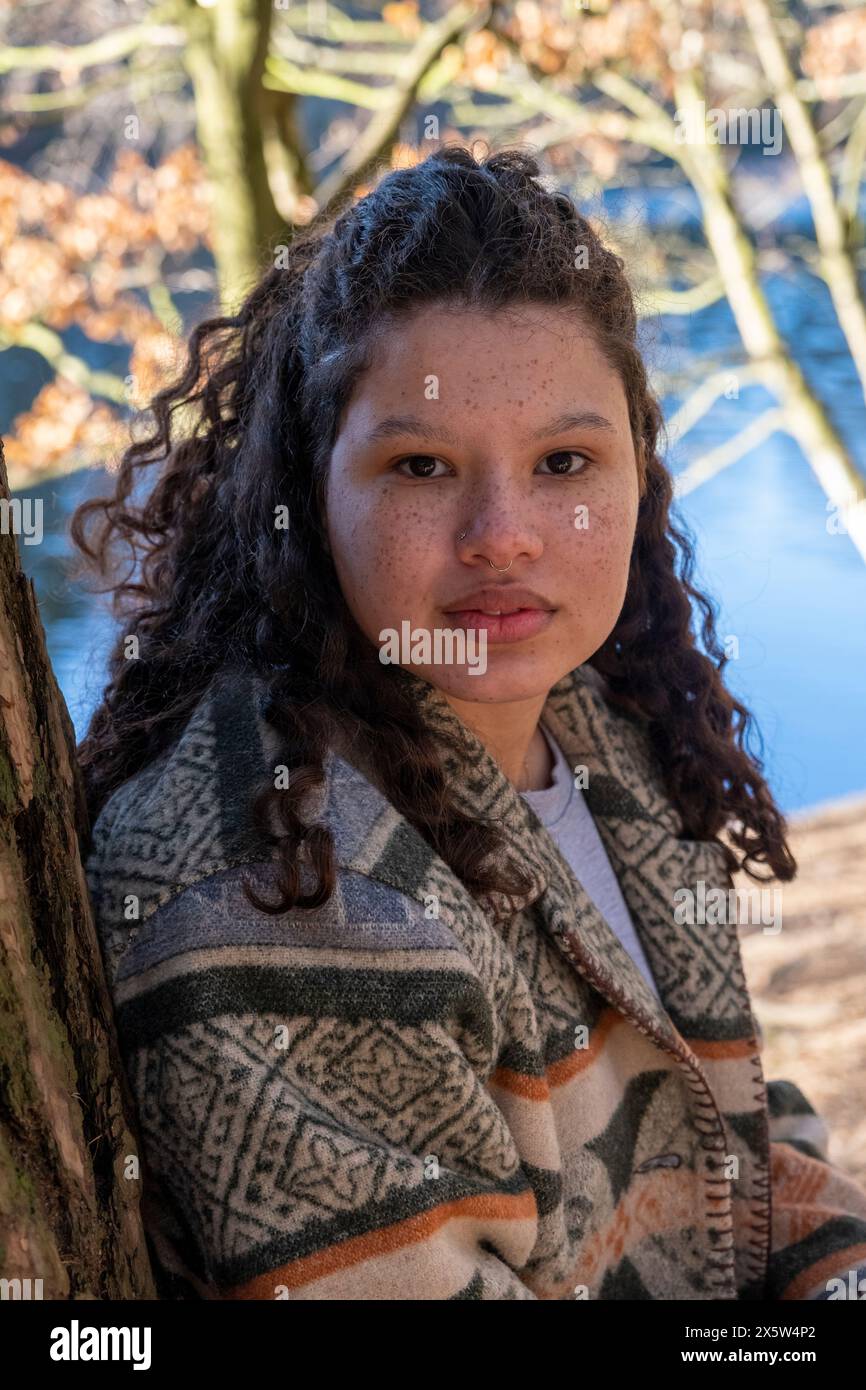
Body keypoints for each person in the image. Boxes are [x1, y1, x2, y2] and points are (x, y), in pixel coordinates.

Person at [73, 144, 866, 1300]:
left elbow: (727, 1142)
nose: (503, 533)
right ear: (307, 483)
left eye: (562, 459)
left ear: (638, 471)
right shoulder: (284, 890)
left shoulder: (598, 729)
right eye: (422, 464)